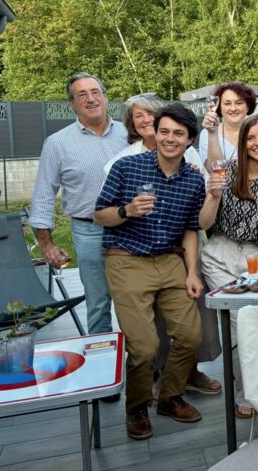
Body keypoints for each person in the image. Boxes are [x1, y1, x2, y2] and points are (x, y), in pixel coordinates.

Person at [95, 103, 207, 440]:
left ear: (189, 140)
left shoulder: (193, 180)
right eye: (165, 131)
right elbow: (100, 214)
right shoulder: (127, 167)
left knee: (190, 336)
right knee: (144, 347)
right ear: (154, 132)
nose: (169, 139)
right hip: (126, 260)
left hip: (170, 259)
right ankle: (137, 407)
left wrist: (191, 272)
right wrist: (127, 210)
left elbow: (191, 229)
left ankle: (170, 396)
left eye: (178, 133)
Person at [199, 115, 258, 419]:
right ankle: (245, 392)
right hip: (219, 252)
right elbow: (204, 223)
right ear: (242, 143)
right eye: (251, 138)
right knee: (239, 321)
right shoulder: (226, 172)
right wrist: (213, 195)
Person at [29, 73, 128, 346]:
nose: (91, 98)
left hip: (133, 227)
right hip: (89, 231)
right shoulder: (57, 143)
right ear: (72, 103)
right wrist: (47, 245)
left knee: (139, 299)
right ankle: (103, 372)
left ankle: (149, 369)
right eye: (82, 94)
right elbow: (43, 196)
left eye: (95, 91)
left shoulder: (129, 134)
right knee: (98, 305)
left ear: (106, 97)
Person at [198, 81, 257, 171]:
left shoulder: (257, 132)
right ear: (219, 108)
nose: (233, 108)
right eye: (227, 103)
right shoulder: (207, 133)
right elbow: (213, 169)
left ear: (248, 106)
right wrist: (212, 133)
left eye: (238, 103)